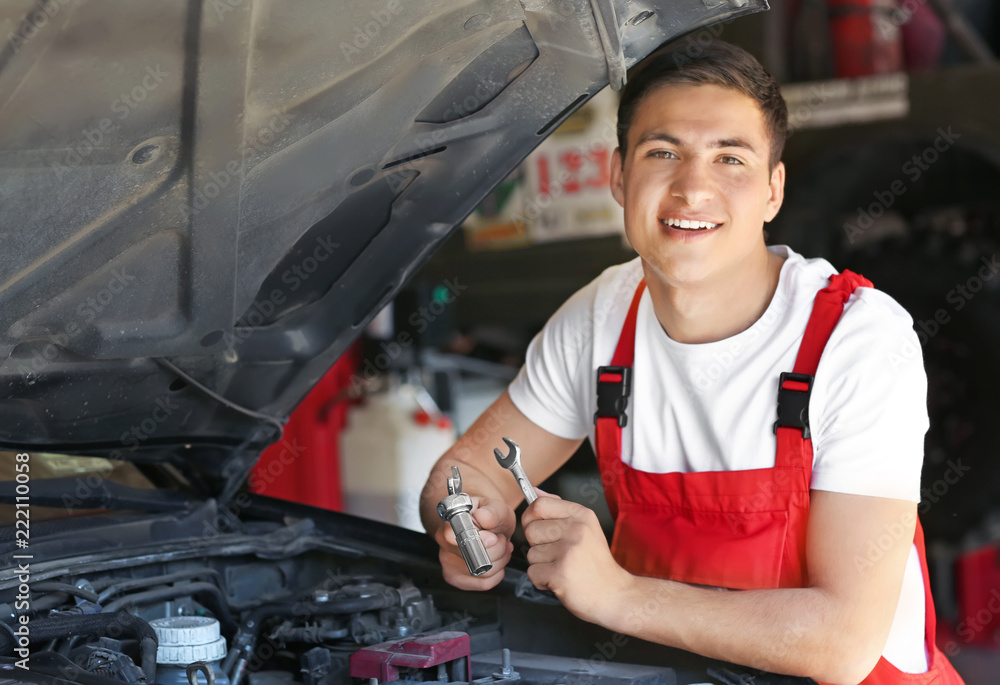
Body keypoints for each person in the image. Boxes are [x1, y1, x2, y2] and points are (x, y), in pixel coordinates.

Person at [419, 39, 964, 685]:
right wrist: (464, 523)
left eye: (730, 158)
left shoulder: (857, 339)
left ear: (772, 190)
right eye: (663, 153)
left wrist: (614, 593)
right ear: (618, 175)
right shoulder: (605, 317)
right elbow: (468, 473)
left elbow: (841, 643)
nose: (693, 187)